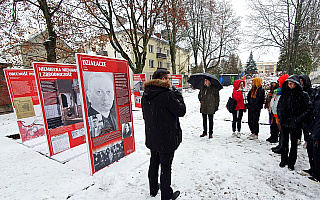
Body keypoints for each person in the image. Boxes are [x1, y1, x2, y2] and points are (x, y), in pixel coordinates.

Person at [141, 69, 186, 200]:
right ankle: (166, 195)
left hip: (153, 135)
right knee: (166, 167)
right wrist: (179, 96)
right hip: (166, 137)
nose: (170, 81)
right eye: (169, 78)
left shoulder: (147, 93)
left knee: (154, 162)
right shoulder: (167, 95)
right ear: (163, 79)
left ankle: (153, 189)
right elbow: (181, 111)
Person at [277, 75, 312, 170]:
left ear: (296, 84)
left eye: (291, 84)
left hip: (295, 123)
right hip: (285, 121)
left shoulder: (302, 95)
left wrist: (299, 119)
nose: (289, 85)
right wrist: (281, 116)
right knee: (284, 142)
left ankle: (291, 162)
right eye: (288, 84)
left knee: (293, 144)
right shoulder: (285, 94)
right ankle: (283, 160)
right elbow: (280, 106)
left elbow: (308, 109)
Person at [85, 72, 118, 138]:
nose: (105, 98)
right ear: (89, 96)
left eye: (109, 92)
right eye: (99, 92)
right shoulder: (87, 121)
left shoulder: (114, 118)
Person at [304, 86, 320, 183]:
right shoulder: (316, 95)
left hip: (317, 129)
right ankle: (313, 169)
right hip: (313, 127)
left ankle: (317, 174)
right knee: (311, 150)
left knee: (317, 152)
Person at [270, 74, 289, 154]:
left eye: (279, 82)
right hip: (276, 113)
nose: (278, 83)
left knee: (283, 132)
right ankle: (280, 145)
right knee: (280, 131)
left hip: (281, 114)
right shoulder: (279, 91)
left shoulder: (284, 92)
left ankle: (283, 146)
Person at [299, 74, 313, 148]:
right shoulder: (300, 89)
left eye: (302, 81)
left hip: (306, 111)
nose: (301, 82)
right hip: (300, 110)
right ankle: (300, 138)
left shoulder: (309, 91)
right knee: (300, 126)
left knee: (306, 127)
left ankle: (307, 140)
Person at [265, 78, 279, 143]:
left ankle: (275, 136)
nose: (273, 84)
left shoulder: (278, 91)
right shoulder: (271, 91)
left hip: (275, 110)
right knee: (271, 123)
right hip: (271, 108)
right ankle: (272, 135)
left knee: (275, 124)